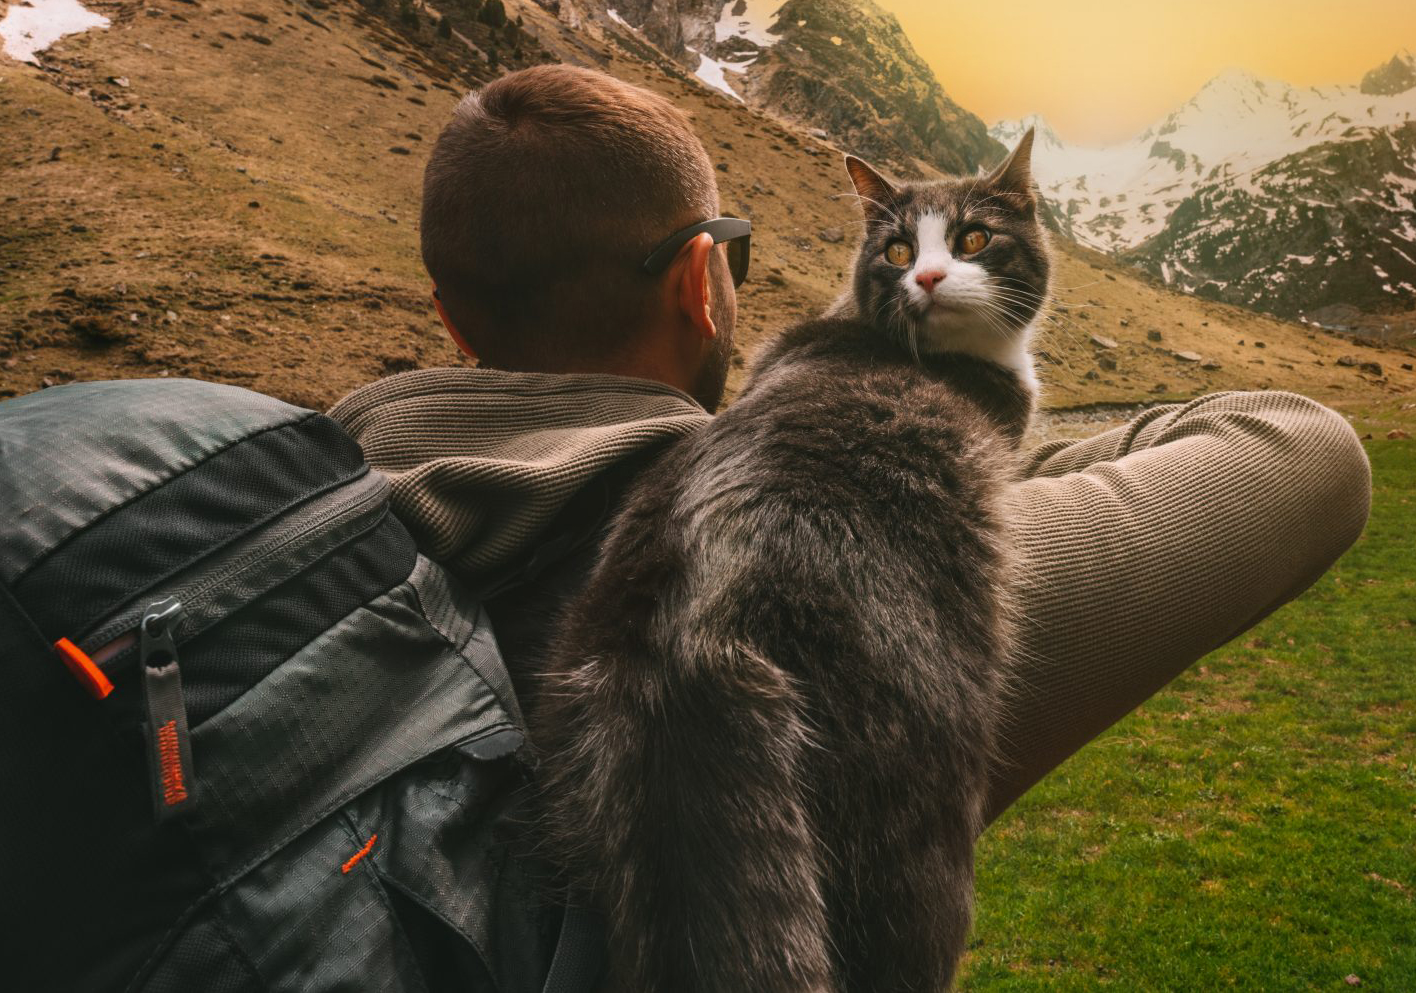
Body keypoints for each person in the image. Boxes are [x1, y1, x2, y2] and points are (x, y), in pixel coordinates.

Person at [327, 63, 1372, 822]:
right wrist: (978, 455)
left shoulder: (327, 512)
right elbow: (1300, 445)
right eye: (729, 252)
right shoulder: (814, 570)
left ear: (452, 321)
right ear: (702, 283)